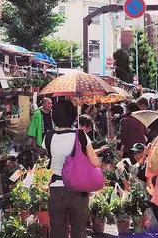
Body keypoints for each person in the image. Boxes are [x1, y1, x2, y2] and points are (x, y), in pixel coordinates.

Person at [44, 101, 99, 238]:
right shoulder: (81, 135)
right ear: (74, 117)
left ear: (54, 117)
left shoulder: (49, 137)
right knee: (78, 232)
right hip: (78, 190)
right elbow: (95, 162)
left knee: (57, 233)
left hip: (56, 189)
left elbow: (50, 158)